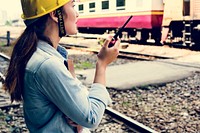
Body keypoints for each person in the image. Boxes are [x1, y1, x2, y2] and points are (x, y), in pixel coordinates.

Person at [3, 0, 120, 132]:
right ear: (54, 14)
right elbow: (91, 117)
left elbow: (80, 109)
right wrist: (102, 64)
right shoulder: (47, 65)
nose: (77, 14)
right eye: (73, 6)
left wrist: (77, 115)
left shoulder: (41, 54)